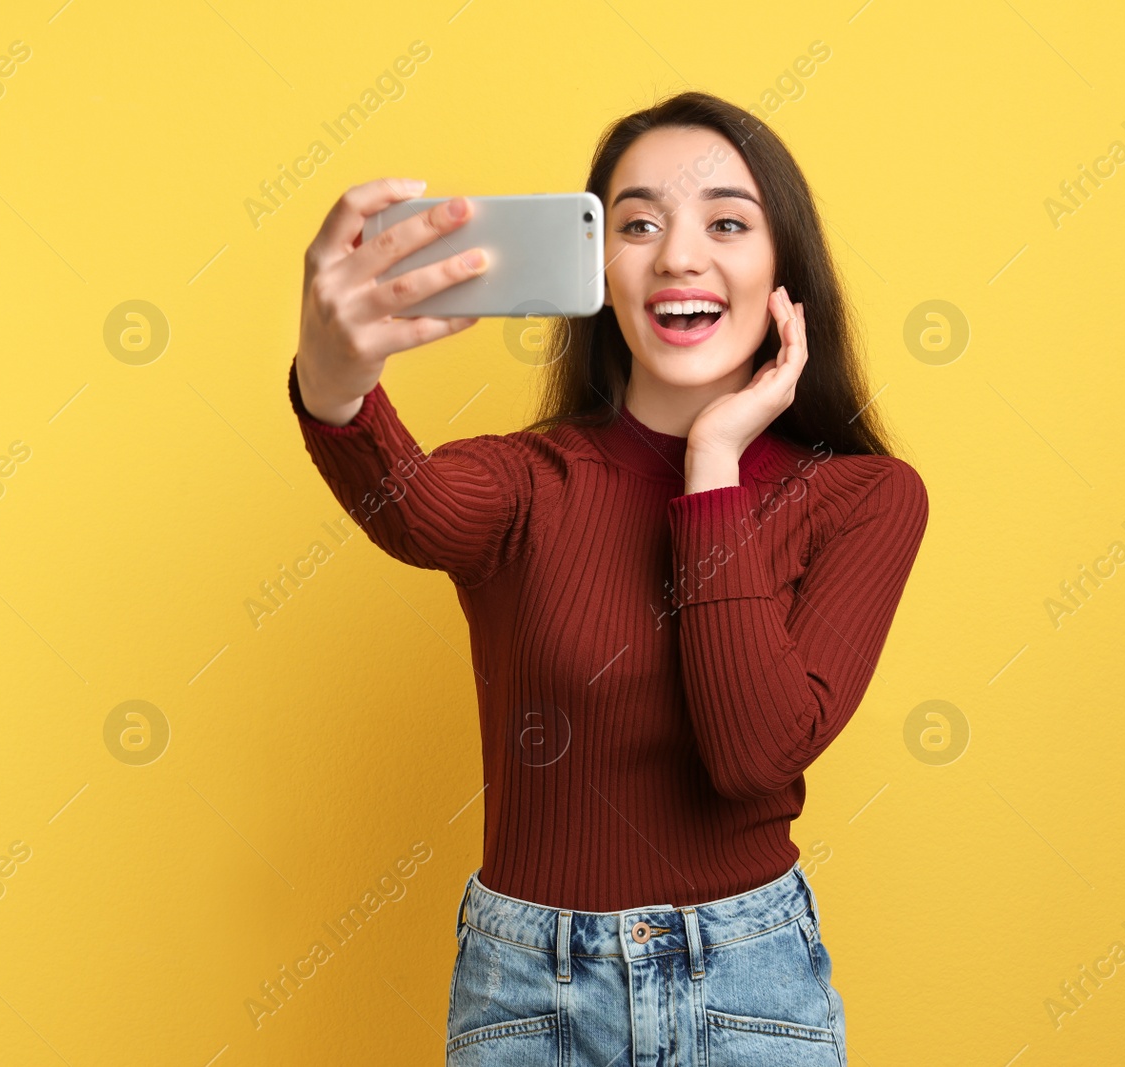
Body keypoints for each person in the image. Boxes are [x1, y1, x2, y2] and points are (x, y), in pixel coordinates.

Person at [287, 90, 930, 1064]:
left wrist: (711, 460)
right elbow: (410, 505)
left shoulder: (863, 497)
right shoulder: (527, 479)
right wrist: (333, 376)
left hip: (749, 984)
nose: (677, 254)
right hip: (527, 992)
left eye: (725, 221)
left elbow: (752, 755)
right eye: (635, 223)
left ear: (783, 272)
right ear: (597, 273)